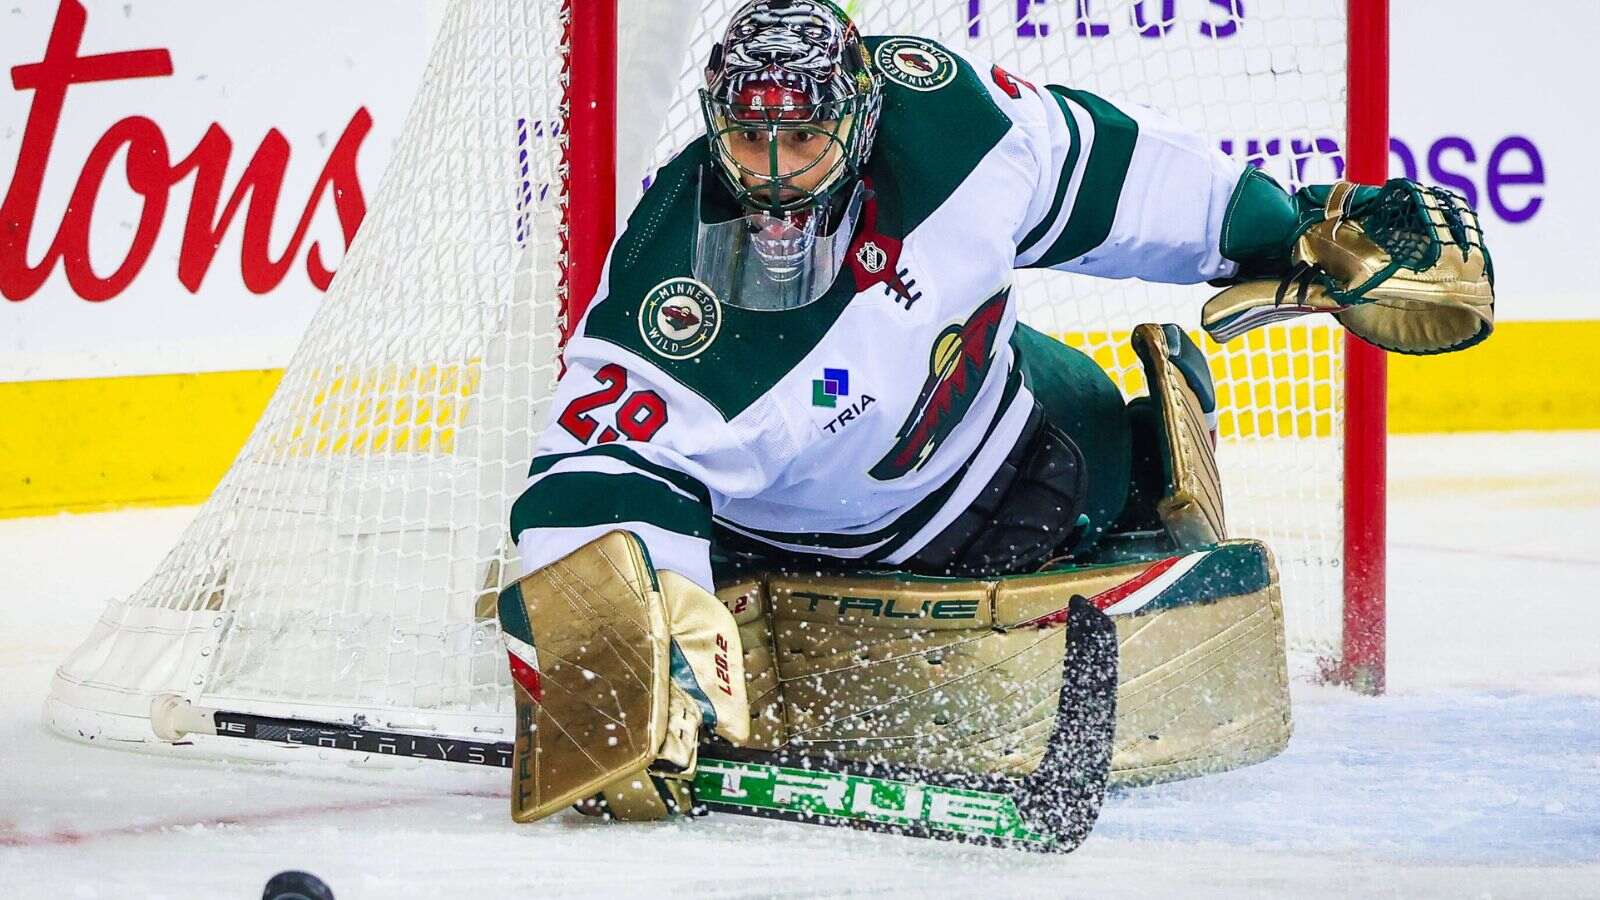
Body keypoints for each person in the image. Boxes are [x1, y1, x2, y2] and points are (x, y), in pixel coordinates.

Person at [497, 0, 1493, 823]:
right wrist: (609, 671)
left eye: (800, 135)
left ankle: (1164, 436)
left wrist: (1286, 227)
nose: (772, 171)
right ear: (715, 124)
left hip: (1017, 451)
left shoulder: (944, 115)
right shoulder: (675, 304)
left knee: (1105, 421)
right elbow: (586, 485)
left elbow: (1100, 168)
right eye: (749, 137)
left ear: (860, 114)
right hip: (836, 536)